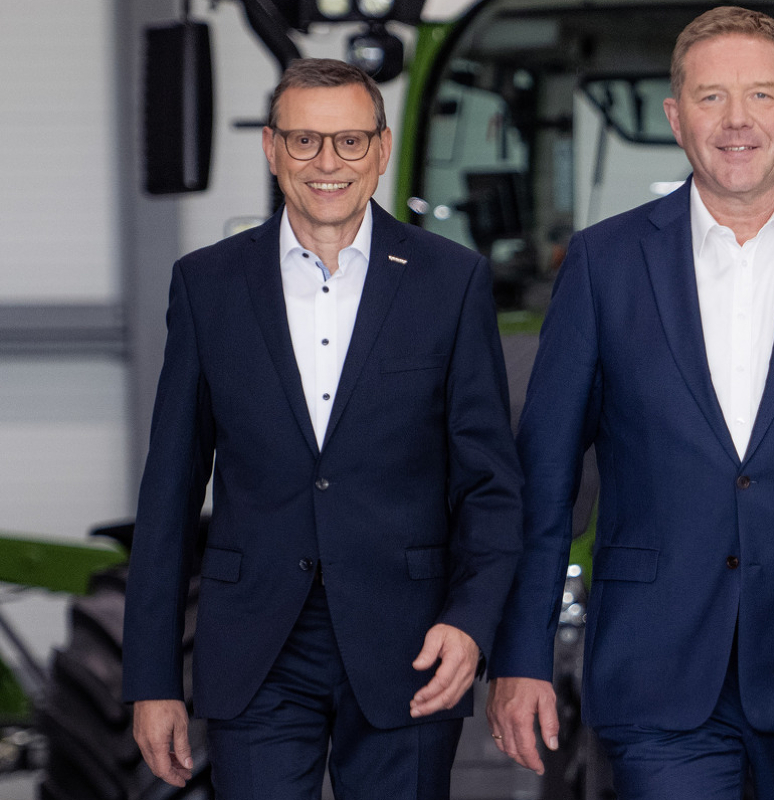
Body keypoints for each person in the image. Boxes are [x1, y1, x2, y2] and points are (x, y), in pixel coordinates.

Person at [483, 6, 774, 798]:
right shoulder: (605, 264)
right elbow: (545, 477)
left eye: (761, 96)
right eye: (711, 98)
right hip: (656, 669)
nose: (737, 121)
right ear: (676, 117)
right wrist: (523, 654)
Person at [122, 58, 523, 800]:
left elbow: (490, 484)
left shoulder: (449, 281)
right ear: (272, 150)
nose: (327, 163)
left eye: (348, 141)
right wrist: (152, 679)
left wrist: (471, 623)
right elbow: (170, 491)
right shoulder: (207, 285)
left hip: (410, 641)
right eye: (305, 142)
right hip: (256, 647)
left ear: (381, 148)